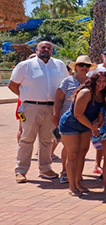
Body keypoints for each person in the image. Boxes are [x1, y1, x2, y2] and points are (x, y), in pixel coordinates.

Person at [9, 41, 70, 183]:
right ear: (36, 49)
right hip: (31, 107)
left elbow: (65, 84)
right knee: (26, 139)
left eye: (49, 48)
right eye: (43, 47)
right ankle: (21, 171)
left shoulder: (59, 65)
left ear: (52, 51)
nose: (46, 49)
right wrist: (25, 96)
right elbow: (13, 85)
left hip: (52, 107)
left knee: (47, 140)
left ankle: (45, 169)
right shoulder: (25, 65)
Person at [58, 72, 106, 195]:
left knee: (81, 154)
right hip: (70, 124)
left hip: (86, 125)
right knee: (72, 154)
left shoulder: (103, 95)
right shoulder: (86, 92)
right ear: (93, 81)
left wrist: (98, 124)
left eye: (104, 81)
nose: (101, 84)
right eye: (99, 81)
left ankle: (78, 183)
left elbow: (101, 112)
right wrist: (92, 127)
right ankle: (72, 186)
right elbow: (78, 114)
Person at [53, 55, 94, 184]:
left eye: (87, 65)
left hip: (85, 120)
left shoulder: (92, 82)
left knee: (81, 149)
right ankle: (65, 172)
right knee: (68, 148)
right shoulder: (67, 82)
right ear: (75, 67)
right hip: (68, 120)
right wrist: (56, 115)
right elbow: (58, 99)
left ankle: (76, 174)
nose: (84, 67)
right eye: (81, 65)